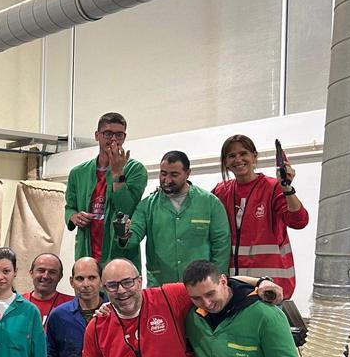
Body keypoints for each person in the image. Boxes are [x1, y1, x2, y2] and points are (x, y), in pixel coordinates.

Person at [82, 259, 282, 357]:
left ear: (140, 280)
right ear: (104, 287)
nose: (122, 291)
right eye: (113, 286)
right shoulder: (98, 324)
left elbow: (214, 284)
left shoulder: (168, 297)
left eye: (127, 282)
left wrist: (260, 282)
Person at [183, 260, 300, 357]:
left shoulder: (265, 316)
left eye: (210, 294)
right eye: (196, 298)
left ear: (223, 281)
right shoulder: (193, 319)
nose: (207, 303)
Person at [214, 134, 310, 297]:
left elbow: (299, 221)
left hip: (271, 283)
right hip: (236, 284)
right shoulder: (221, 191)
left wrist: (286, 188)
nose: (238, 159)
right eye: (231, 156)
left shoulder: (273, 187)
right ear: (225, 162)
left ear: (254, 156)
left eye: (243, 153)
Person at [118, 150, 231, 286]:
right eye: (163, 173)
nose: (167, 180)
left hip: (201, 285)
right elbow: (133, 237)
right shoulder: (147, 205)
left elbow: (221, 245)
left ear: (188, 173)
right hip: (161, 285)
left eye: (174, 175)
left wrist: (216, 281)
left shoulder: (210, 203)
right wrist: (123, 234)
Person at [64, 112, 148, 267]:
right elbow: (69, 207)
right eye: (108, 133)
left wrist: (117, 174)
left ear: (124, 136)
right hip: (87, 253)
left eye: (119, 135)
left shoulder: (136, 170)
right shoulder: (78, 173)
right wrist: (73, 216)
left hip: (119, 255)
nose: (114, 139)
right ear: (97, 135)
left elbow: (126, 209)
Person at [46, 257, 108, 357]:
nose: (86, 284)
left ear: (101, 281)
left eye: (92, 278)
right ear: (71, 281)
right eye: (80, 278)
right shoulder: (59, 316)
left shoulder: (114, 313)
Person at [25, 253, 74, 326]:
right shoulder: (16, 303)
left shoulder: (73, 305)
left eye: (52, 272)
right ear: (31, 273)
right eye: (41, 270)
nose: (45, 276)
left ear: (60, 277)